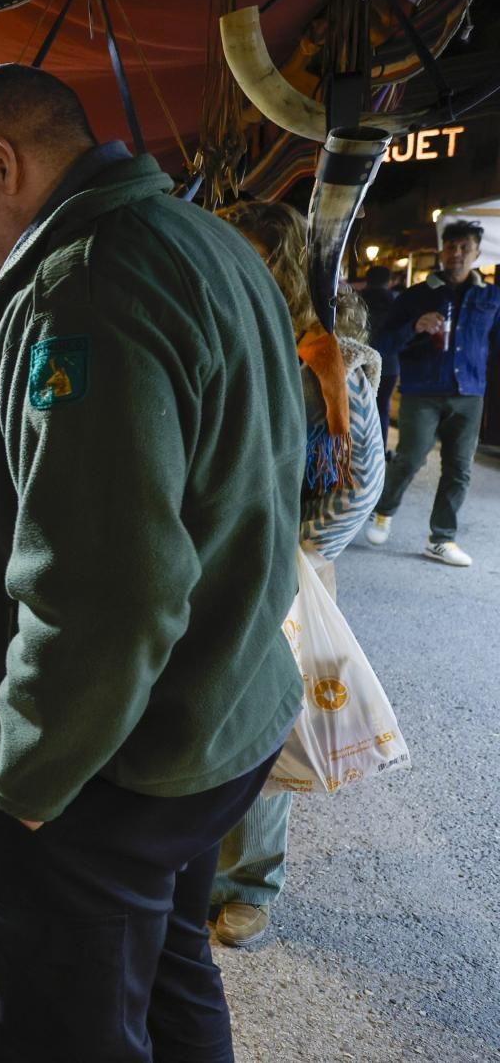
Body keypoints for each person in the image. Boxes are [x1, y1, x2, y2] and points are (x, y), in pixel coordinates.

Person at [0, 64, 305, 1062]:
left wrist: (23, 776)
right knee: (170, 973)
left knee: (65, 1029)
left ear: (1, 163)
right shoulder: (206, 240)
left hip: (106, 762)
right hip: (200, 722)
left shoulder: (82, 288)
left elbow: (105, 591)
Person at [209, 201, 385, 948]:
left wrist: (289, 547)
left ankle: (250, 883)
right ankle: (195, 872)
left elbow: (358, 486)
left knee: (265, 736)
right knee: (201, 725)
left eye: (245, 254)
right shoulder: (212, 334)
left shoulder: (326, 366)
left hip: (286, 574)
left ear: (280, 266)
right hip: (207, 566)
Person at [365, 220, 500, 565]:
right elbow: (381, 342)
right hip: (421, 390)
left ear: (476, 253)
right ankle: (383, 510)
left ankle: (442, 538)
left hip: (469, 392)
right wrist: (414, 325)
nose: (456, 253)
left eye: (464, 247)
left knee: (459, 468)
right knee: (410, 456)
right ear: (442, 251)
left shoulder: (489, 296)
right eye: (451, 246)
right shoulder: (416, 295)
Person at [360, 264, 399, 454]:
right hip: (389, 364)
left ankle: (358, 450)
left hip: (362, 361)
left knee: (360, 406)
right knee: (382, 407)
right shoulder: (397, 303)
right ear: (390, 282)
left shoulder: (358, 301)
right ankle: (379, 450)